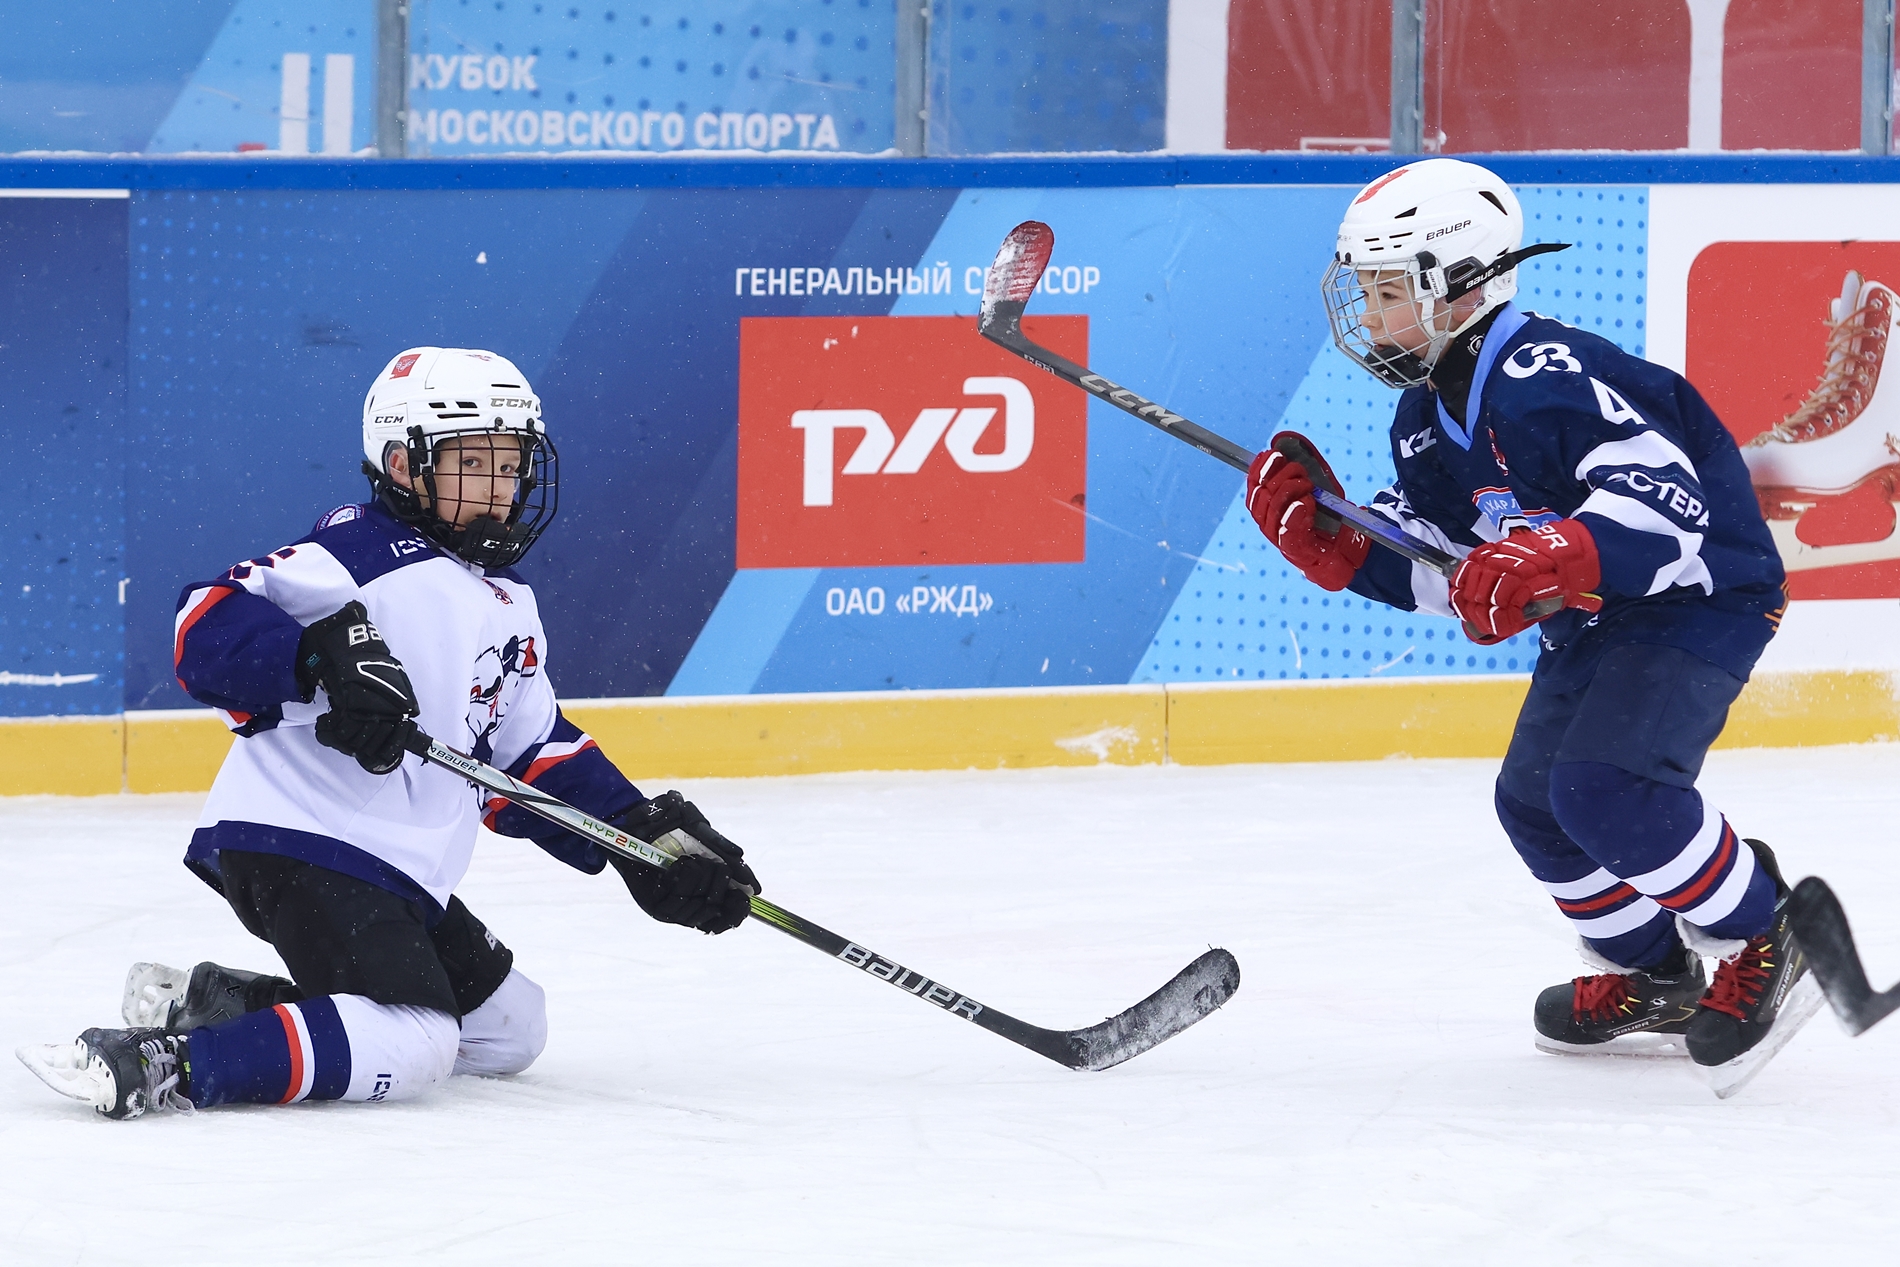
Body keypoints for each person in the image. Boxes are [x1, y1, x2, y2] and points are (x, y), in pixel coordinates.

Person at [18, 347, 760, 1120]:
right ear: (404, 465)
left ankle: (220, 1005)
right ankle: (168, 1062)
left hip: (396, 870)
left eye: (510, 467)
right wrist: (315, 658)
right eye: (474, 463)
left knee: (510, 1030)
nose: (500, 491)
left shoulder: (507, 598)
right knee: (419, 1040)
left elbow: (530, 754)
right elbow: (202, 621)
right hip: (305, 841)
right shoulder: (361, 553)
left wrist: (638, 838)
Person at [1246, 159, 1818, 1084]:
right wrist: (1345, 546)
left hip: (1697, 595)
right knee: (1535, 805)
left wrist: (1566, 551)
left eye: (1389, 290)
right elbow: (1449, 565)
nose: (1370, 313)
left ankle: (1766, 929)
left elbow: (1667, 497)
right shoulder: (1424, 416)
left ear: (1458, 283)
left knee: (1606, 787)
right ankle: (1658, 974)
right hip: (1595, 620)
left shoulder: (1542, 374)